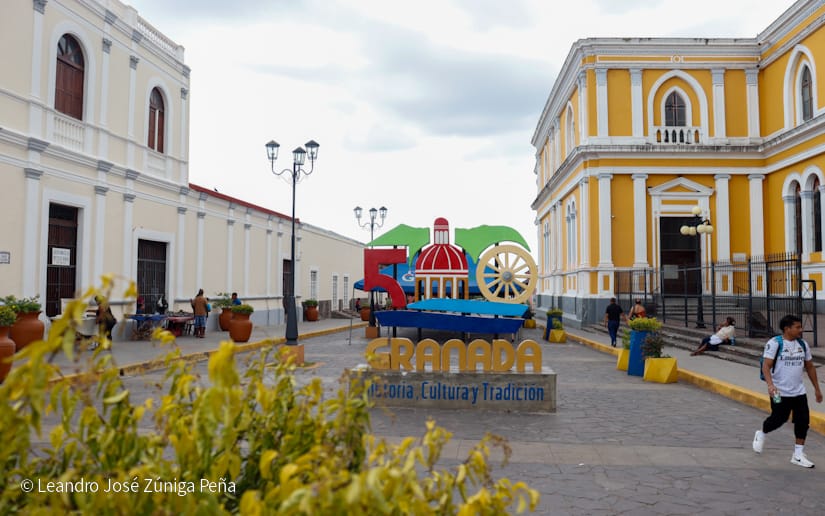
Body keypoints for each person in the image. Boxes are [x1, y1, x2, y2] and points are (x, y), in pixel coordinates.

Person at [752, 314, 822, 468]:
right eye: (797, 327)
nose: (800, 330)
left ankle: (797, 455)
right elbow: (766, 365)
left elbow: (809, 366)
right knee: (778, 419)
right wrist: (770, 385)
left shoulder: (802, 344)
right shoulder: (775, 343)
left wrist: (817, 389)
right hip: (779, 392)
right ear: (787, 328)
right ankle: (762, 432)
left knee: (803, 421)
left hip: (799, 392)